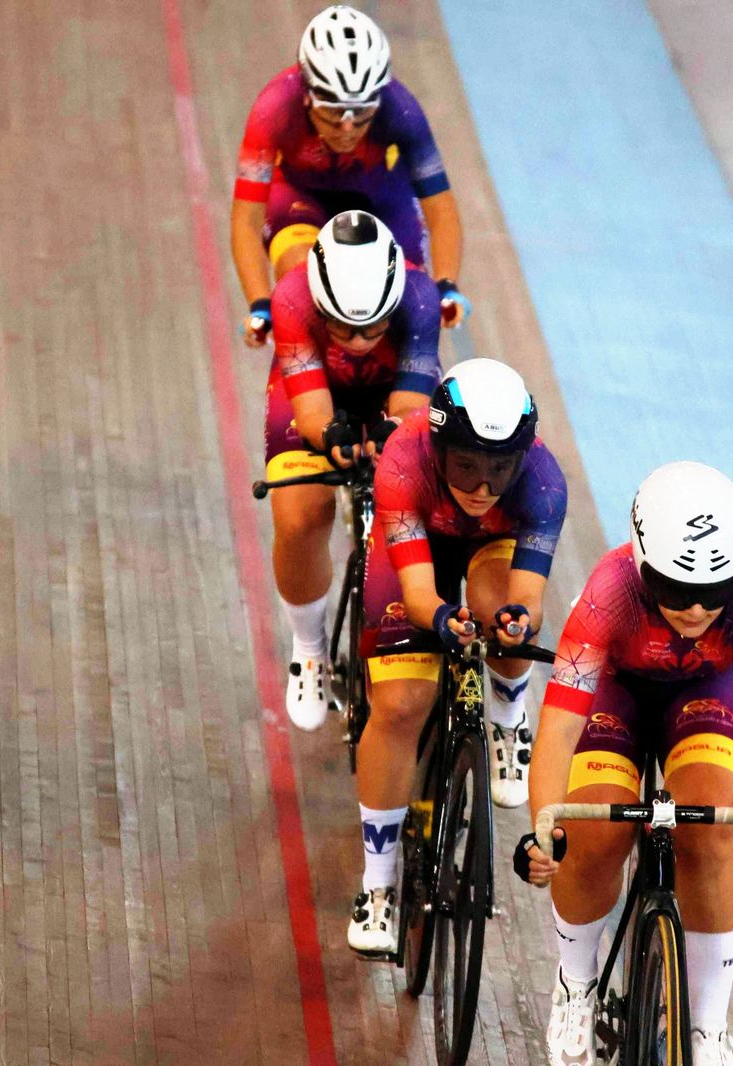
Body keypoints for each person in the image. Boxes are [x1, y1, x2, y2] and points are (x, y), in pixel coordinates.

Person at [515, 462, 733, 1066]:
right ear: (643, 564)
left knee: (709, 828)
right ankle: (576, 983)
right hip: (615, 692)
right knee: (595, 832)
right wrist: (546, 828)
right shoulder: (608, 593)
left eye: (714, 592)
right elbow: (559, 727)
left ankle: (706, 1024)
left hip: (708, 697)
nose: (696, 610)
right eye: (676, 591)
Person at [346, 359, 568, 957]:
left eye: (500, 470)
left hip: (490, 544)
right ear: (439, 448)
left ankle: (508, 714)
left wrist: (516, 622)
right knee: (401, 702)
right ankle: (378, 885)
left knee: (506, 624)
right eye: (466, 466)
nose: (482, 486)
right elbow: (419, 594)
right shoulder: (403, 460)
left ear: (522, 459)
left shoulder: (544, 482)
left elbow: (529, 597)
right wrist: (442, 617)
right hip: (414, 537)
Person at [264, 209, 443, 729]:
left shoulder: (420, 296)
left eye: (374, 326)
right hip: (317, 393)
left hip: (392, 396)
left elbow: (411, 403)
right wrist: (334, 439)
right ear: (321, 304)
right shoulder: (293, 298)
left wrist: (390, 438)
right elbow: (313, 410)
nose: (361, 340)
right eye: (345, 327)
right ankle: (309, 647)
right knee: (301, 514)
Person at [231, 4, 468, 351]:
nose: (347, 126)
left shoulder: (401, 109)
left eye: (361, 113)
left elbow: (441, 210)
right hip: (300, 197)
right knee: (300, 277)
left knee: (404, 305)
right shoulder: (274, 108)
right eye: (333, 110)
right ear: (308, 97)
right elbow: (246, 220)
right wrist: (260, 303)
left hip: (381, 200)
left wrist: (446, 284)